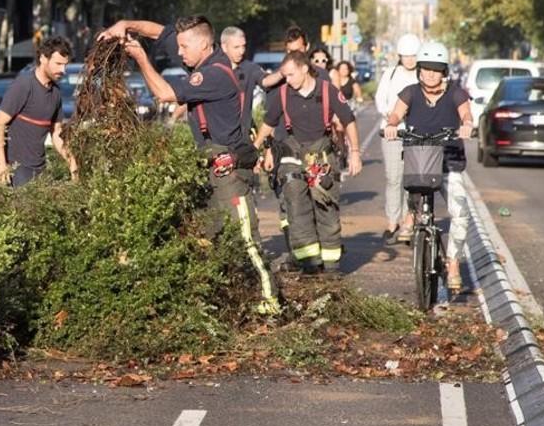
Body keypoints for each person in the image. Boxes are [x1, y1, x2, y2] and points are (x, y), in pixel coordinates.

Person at [102, 16, 281, 315]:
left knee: (245, 240)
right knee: (209, 239)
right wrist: (125, 24)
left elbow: (165, 95)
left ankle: (270, 302)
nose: (180, 52)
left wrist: (141, 58)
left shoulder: (213, 74)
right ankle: (224, 302)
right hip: (207, 165)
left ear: (203, 44)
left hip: (228, 168)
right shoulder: (201, 58)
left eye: (185, 47)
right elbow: (161, 33)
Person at [253, 51, 362, 272]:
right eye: (284, 75)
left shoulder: (327, 90)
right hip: (293, 153)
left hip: (321, 153)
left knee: (325, 205)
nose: (287, 80)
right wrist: (255, 150)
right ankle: (310, 263)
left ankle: (331, 266)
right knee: (295, 201)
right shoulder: (282, 94)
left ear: (304, 69)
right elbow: (268, 124)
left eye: (291, 74)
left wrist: (355, 152)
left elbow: (348, 120)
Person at [382, 41, 474, 293]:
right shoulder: (410, 92)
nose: (431, 74)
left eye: (436, 70)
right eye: (426, 69)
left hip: (448, 162)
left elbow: (466, 114)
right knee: (413, 197)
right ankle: (410, 219)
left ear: (444, 71)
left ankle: (453, 261)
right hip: (420, 159)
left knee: (460, 213)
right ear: (419, 70)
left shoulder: (456, 93)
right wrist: (391, 125)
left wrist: (466, 124)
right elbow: (395, 114)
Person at [0, 37, 79, 187]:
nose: (63, 70)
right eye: (58, 64)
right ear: (43, 58)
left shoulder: (55, 93)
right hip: (17, 170)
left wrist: (72, 161)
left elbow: (57, 132)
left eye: (65, 65)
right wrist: (1, 165)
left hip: (39, 170)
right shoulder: (24, 85)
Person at [375, 33, 421, 242]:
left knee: (412, 180)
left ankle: (409, 221)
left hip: (417, 133)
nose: (409, 60)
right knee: (393, 177)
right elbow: (380, 99)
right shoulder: (390, 74)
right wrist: (390, 115)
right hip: (392, 132)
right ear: (399, 56)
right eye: (405, 56)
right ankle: (392, 221)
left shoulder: (423, 75)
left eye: (413, 56)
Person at [219, 26, 269, 135]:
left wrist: (281, 73)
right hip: (219, 138)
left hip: (243, 136)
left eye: (243, 46)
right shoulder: (213, 71)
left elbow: (266, 81)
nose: (241, 51)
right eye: (236, 47)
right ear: (224, 47)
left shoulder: (250, 69)